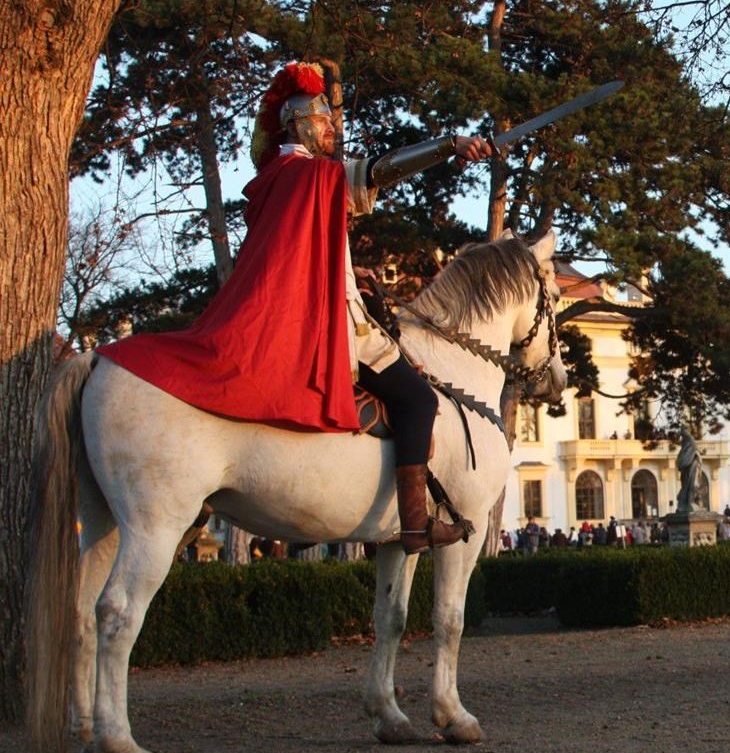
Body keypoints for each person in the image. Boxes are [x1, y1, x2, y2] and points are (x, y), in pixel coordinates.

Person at [96, 62, 494, 554]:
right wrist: (448, 145)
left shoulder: (274, 181)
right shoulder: (309, 175)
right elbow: (380, 171)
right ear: (301, 124)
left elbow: (299, 254)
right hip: (337, 329)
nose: (332, 129)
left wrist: (352, 273)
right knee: (419, 400)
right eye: (325, 121)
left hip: (315, 308)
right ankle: (415, 525)